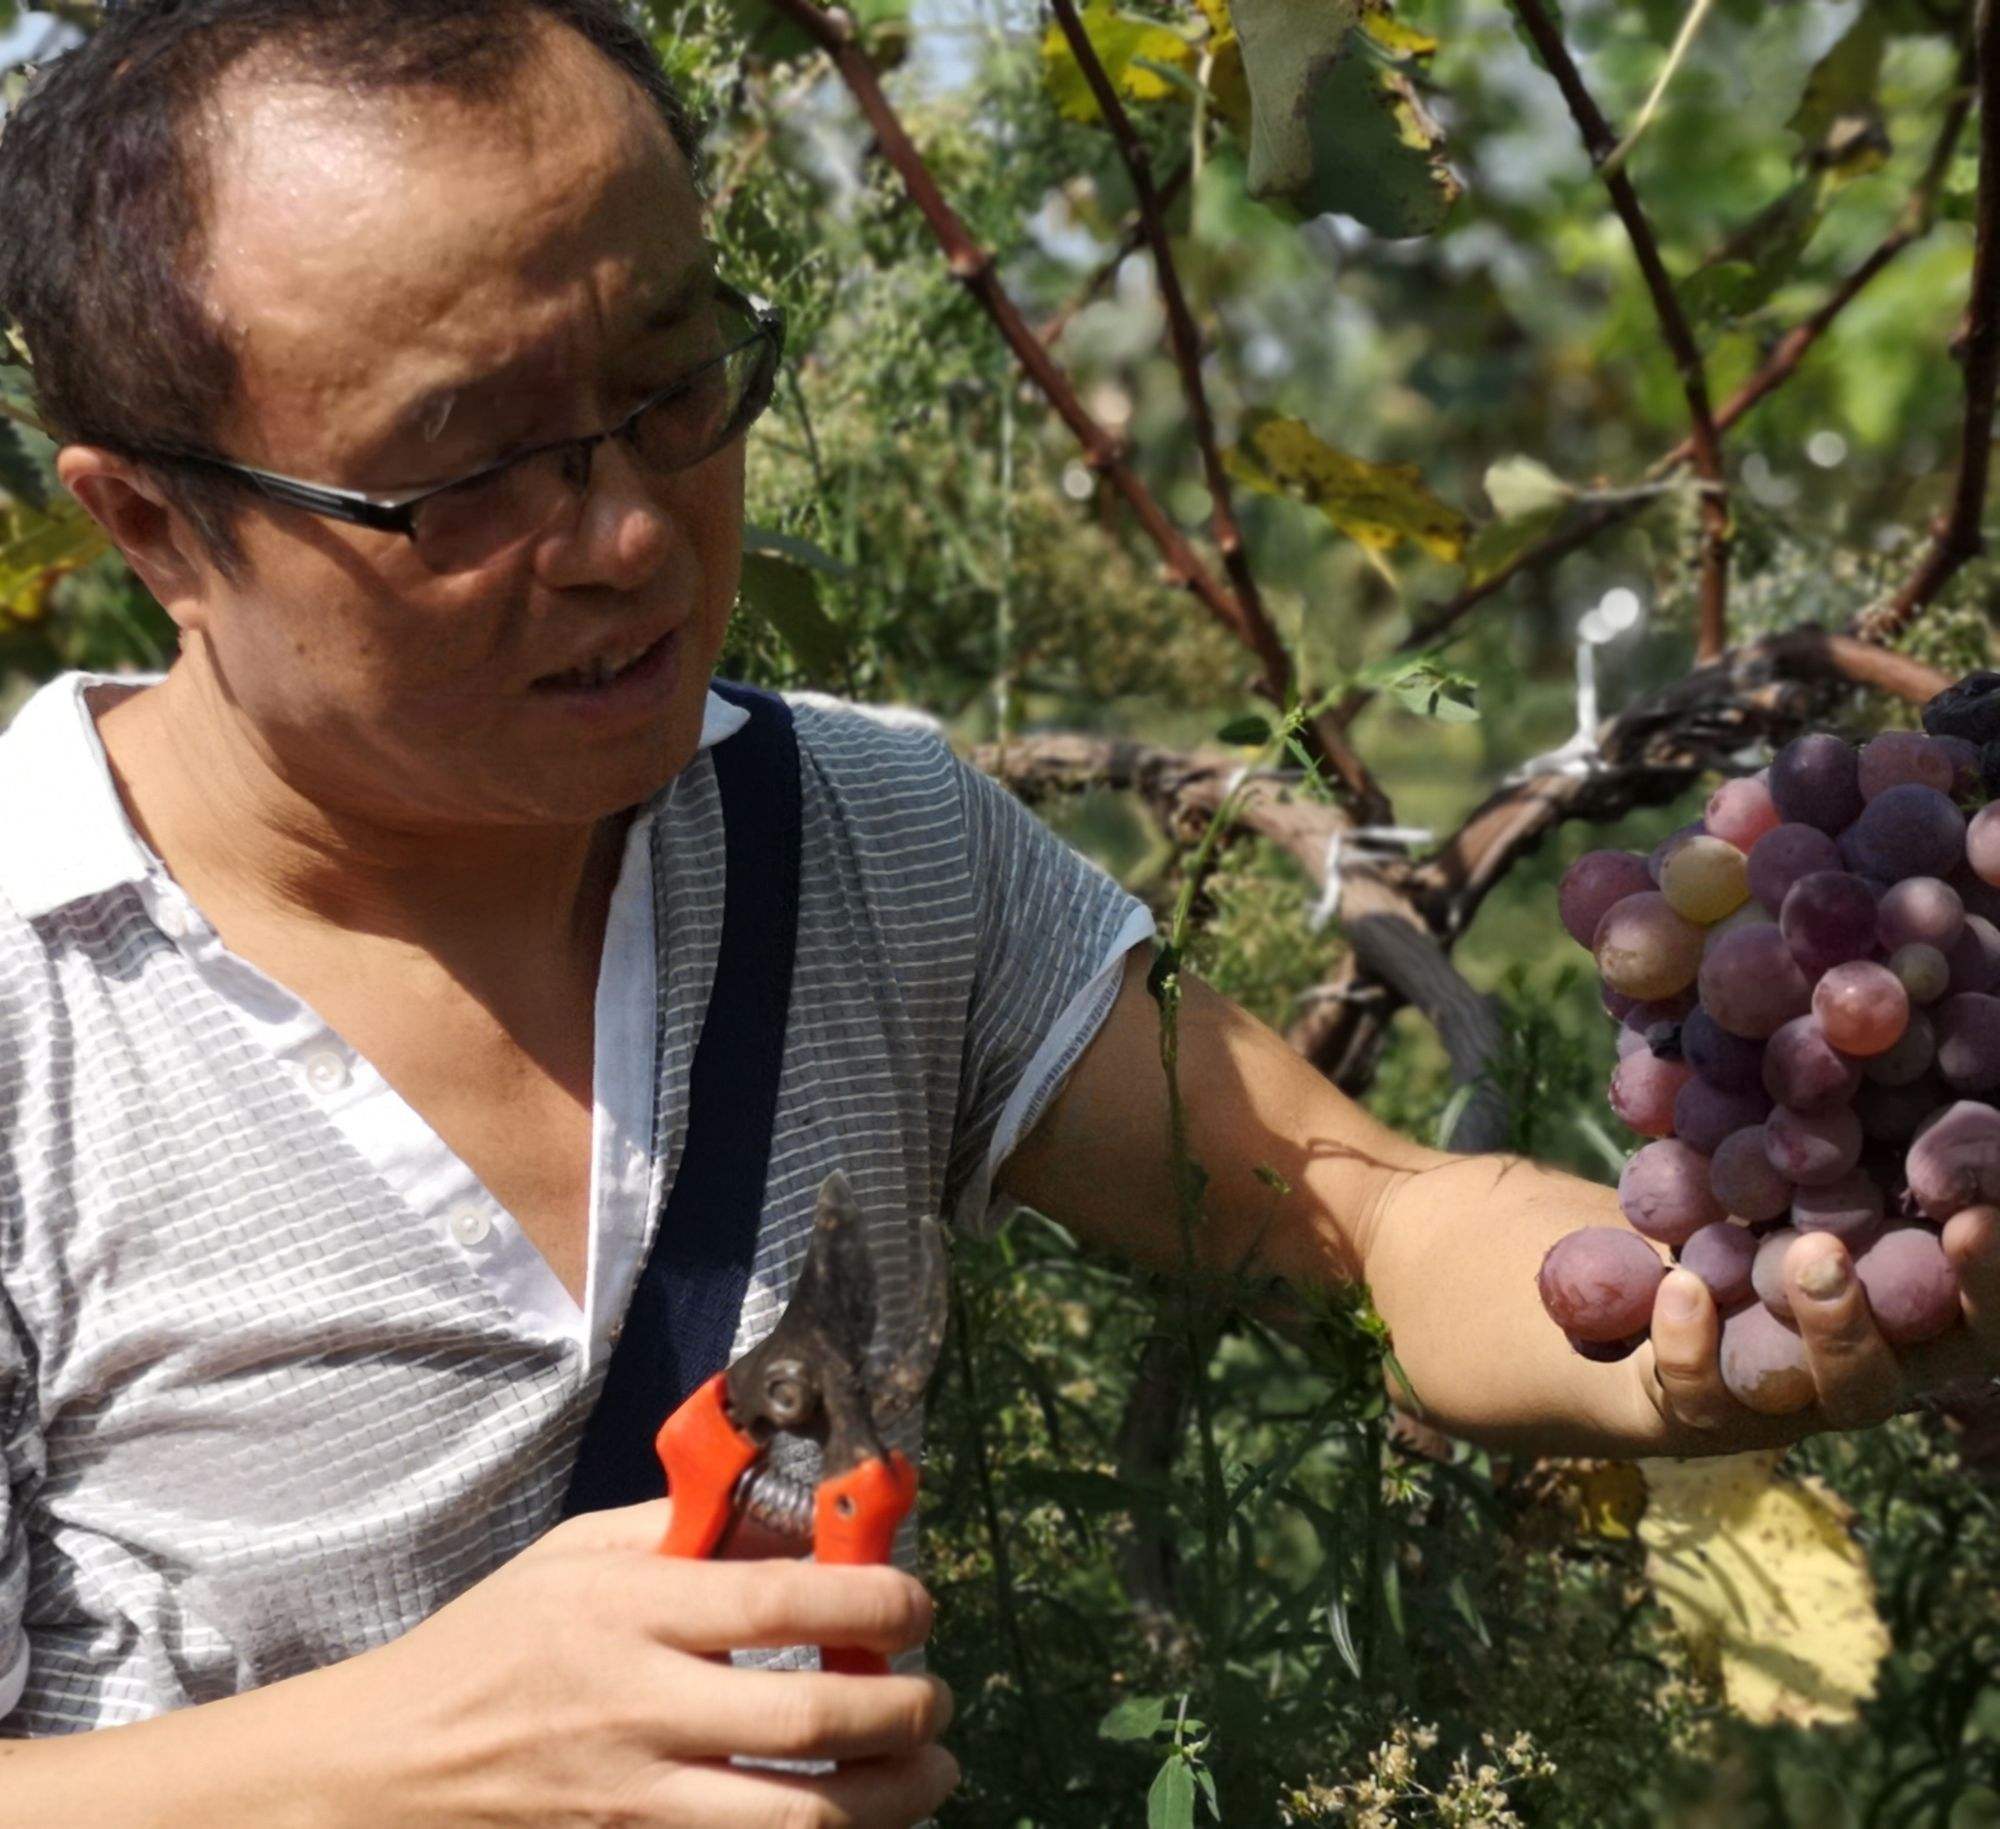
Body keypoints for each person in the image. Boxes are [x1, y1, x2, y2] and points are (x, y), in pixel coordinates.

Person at [0, 1, 1991, 1822]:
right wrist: (419, 1760)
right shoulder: (32, 1016)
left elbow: (1363, 1210)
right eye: (463, 475)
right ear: (153, 521)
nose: (620, 535)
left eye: (674, 387)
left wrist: (1708, 1313)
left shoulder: (858, 839)